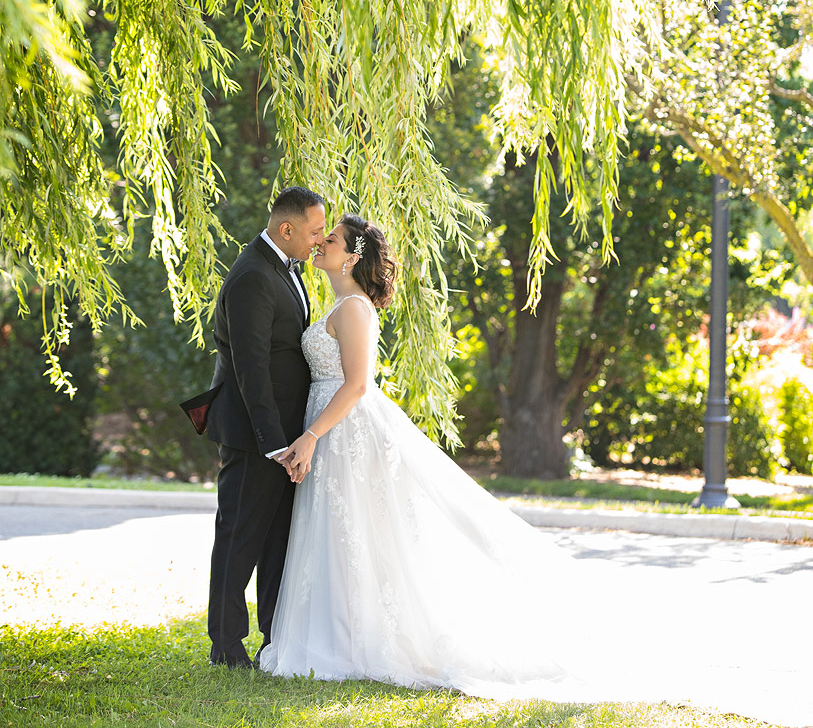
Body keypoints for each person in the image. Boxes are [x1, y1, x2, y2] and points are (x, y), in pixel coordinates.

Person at [257, 216, 810, 726]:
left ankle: (366, 640)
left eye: (329, 240)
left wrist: (309, 435)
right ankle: (344, 634)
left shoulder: (353, 310)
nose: (320, 243)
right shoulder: (330, 305)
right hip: (328, 431)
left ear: (351, 257)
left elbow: (356, 384)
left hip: (346, 431)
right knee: (346, 536)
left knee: (370, 534)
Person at [203, 186, 325, 669]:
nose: (319, 240)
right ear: (286, 228)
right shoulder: (253, 275)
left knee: (277, 541)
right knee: (239, 540)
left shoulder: (285, 268)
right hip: (257, 439)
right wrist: (274, 443)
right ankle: (226, 648)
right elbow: (252, 368)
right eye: (315, 231)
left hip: (285, 437)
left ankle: (276, 639)